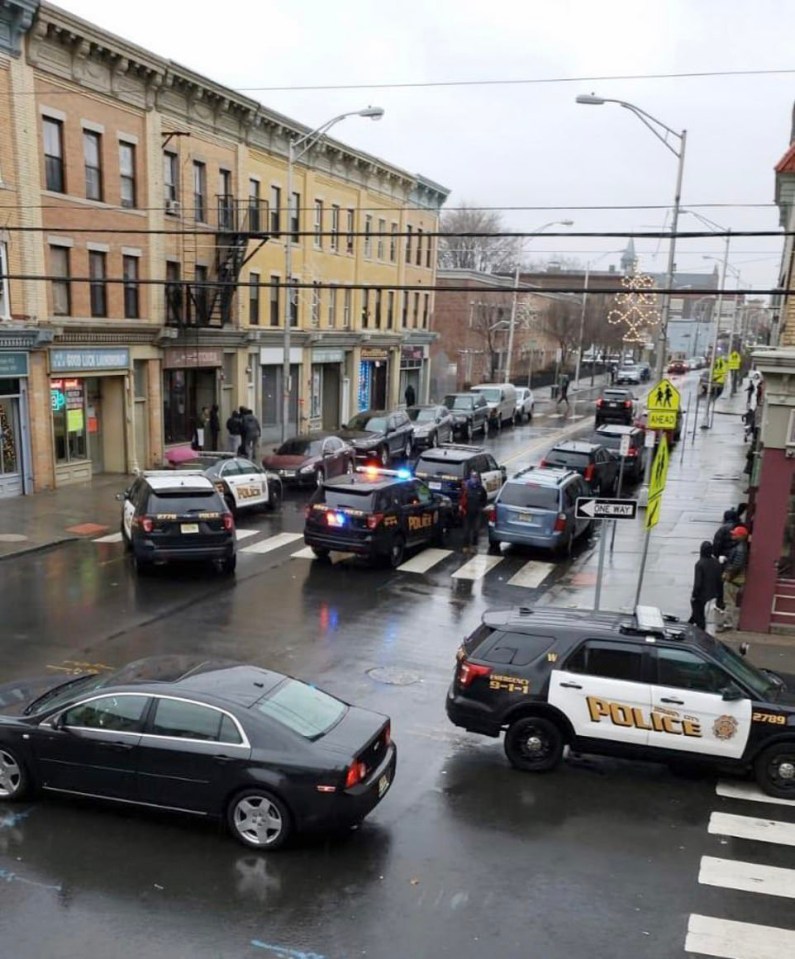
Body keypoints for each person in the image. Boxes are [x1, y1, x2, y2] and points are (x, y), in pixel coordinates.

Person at [689, 541, 724, 632]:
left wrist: (694, 595)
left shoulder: (700, 564)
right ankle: (690, 623)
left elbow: (698, 583)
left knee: (698, 612)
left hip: (702, 594)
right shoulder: (716, 562)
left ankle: (700, 630)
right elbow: (719, 580)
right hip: (712, 593)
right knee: (698, 611)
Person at [721, 526, 749, 631]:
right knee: (729, 602)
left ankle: (727, 623)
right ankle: (727, 622)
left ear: (741, 536)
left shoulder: (740, 549)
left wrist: (728, 575)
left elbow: (737, 566)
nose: (733, 535)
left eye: (735, 534)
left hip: (733, 580)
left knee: (729, 602)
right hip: (734, 579)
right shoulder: (740, 547)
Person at [460, 469, 487, 554]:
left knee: (476, 529)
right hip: (467, 512)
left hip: (477, 512)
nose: (475, 479)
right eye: (473, 477)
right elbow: (461, 498)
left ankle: (474, 546)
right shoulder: (466, 488)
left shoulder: (481, 489)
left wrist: (481, 507)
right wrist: (461, 507)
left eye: (476, 477)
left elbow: (484, 499)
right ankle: (465, 546)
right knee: (467, 530)